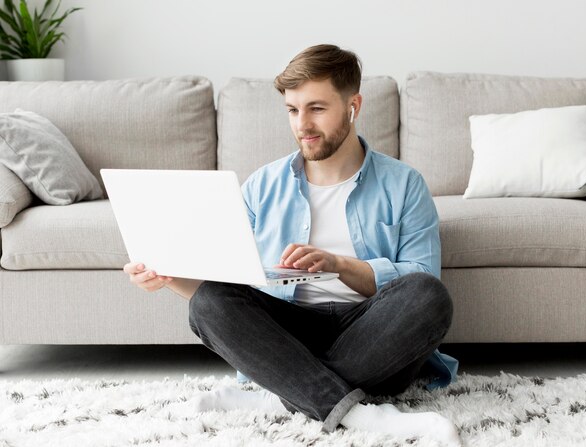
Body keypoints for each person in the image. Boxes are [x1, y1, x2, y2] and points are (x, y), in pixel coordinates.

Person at [124, 44, 462, 446]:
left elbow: (422, 278)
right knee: (208, 301)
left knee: (429, 297)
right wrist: (167, 277)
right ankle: (358, 413)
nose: (303, 124)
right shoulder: (262, 186)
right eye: (292, 110)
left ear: (353, 105)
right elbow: (227, 285)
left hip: (372, 333)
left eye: (317, 108)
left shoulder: (404, 184)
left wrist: (339, 265)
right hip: (287, 330)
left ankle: (281, 394)